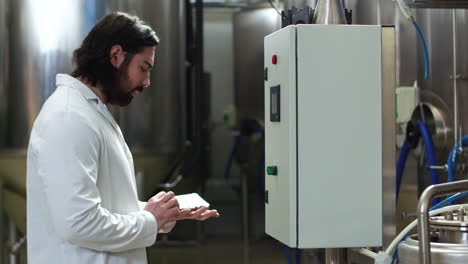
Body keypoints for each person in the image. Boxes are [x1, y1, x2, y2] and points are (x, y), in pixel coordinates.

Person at [26, 11, 219, 264]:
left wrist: (159, 213)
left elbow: (105, 207)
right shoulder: (68, 117)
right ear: (116, 56)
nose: (147, 81)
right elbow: (79, 223)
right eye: (143, 68)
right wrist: (150, 220)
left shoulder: (90, 112)